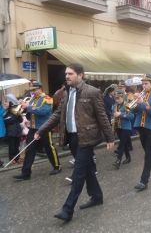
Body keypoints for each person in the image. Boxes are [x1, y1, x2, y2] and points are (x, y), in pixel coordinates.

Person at [35, 63, 115, 222]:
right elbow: (57, 115)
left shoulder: (92, 92)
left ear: (80, 75)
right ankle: (97, 196)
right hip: (71, 138)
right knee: (88, 170)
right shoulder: (66, 93)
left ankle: (68, 209)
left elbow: (102, 116)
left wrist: (110, 137)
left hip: (86, 138)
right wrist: (41, 130)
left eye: (71, 74)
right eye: (66, 74)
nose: (67, 76)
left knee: (78, 173)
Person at [13, 82, 61, 180]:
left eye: (34, 90)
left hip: (45, 128)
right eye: (31, 90)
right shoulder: (32, 99)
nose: (33, 92)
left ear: (40, 89)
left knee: (49, 148)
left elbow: (43, 111)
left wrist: (29, 107)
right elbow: (28, 112)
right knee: (30, 150)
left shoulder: (47, 99)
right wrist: (22, 106)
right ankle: (25, 173)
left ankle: (57, 166)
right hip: (33, 128)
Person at [112, 89, 133, 168]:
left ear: (123, 97)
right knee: (123, 143)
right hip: (118, 127)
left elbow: (131, 116)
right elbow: (112, 114)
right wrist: (112, 119)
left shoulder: (127, 105)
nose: (117, 100)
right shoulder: (114, 106)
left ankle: (118, 160)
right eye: (115, 98)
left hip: (126, 127)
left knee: (121, 144)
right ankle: (128, 157)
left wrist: (121, 114)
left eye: (118, 98)